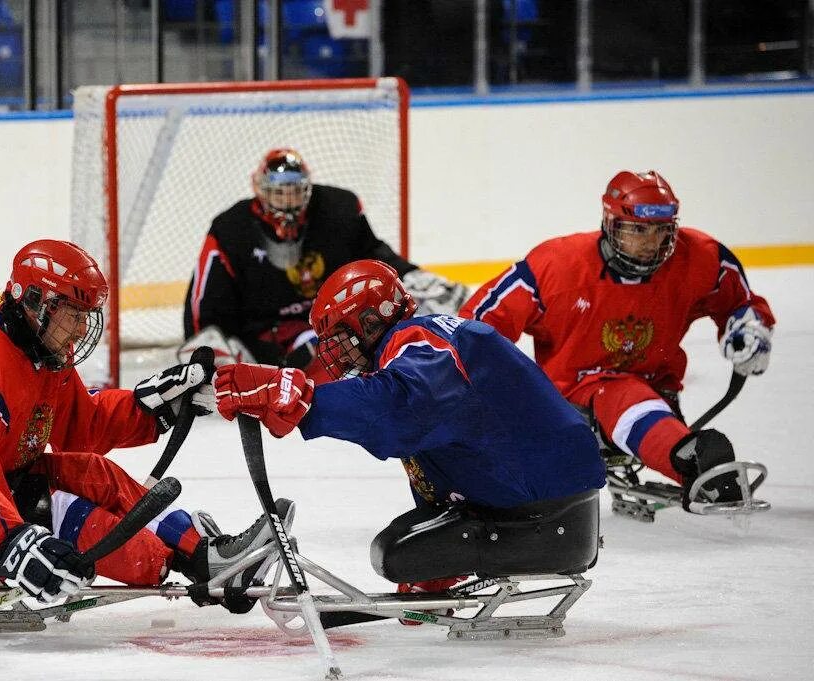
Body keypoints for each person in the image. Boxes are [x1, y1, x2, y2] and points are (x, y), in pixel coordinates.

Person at [0, 239, 291, 614]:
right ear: (36, 302)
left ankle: (205, 557)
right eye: (73, 313)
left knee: (91, 473)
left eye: (85, 314)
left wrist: (150, 407)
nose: (82, 327)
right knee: (54, 510)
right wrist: (11, 547)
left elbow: (82, 423)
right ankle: (160, 563)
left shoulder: (36, 345)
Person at [212, 260, 606, 604]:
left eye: (339, 339)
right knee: (407, 549)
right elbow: (437, 438)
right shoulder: (427, 341)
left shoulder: (417, 340)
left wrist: (304, 399)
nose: (335, 355)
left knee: (395, 552)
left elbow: (399, 412)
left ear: (369, 322)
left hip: (542, 511)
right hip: (549, 498)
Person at [458, 170, 775, 510]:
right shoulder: (559, 265)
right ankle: (690, 460)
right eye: (638, 230)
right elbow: (476, 322)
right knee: (623, 395)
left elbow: (741, 302)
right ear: (610, 222)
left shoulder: (699, 257)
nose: (651, 242)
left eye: (662, 231)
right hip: (571, 398)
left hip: (659, 388)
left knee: (635, 397)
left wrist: (749, 329)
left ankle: (686, 455)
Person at [181, 147, 468, 376]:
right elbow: (205, 297)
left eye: (294, 191)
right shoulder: (231, 228)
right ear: (261, 190)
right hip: (267, 333)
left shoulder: (338, 208)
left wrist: (409, 275)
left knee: (401, 318)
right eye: (279, 192)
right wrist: (203, 338)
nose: (288, 200)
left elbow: (370, 252)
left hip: (333, 318)